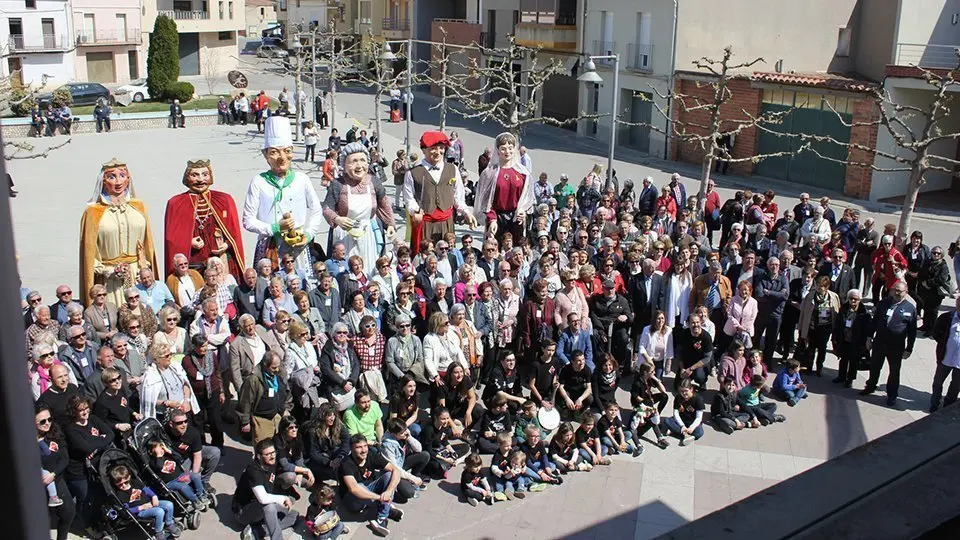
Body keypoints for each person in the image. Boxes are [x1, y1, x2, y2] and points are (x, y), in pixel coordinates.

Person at [243, 116, 324, 283]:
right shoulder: (259, 181)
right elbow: (247, 220)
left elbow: (316, 210)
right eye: (274, 152)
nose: (281, 158)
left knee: (299, 285)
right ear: (265, 155)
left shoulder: (302, 179)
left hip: (298, 244)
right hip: (270, 245)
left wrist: (308, 234)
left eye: (286, 151)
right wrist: (274, 227)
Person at [79, 159, 159, 307]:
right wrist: (105, 270)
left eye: (122, 175)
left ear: (128, 179)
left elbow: (147, 244)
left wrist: (144, 267)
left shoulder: (138, 207)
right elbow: (89, 252)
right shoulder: (92, 212)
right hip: (109, 279)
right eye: (111, 177)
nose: (118, 182)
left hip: (137, 275)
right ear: (103, 180)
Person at [164, 159, 245, 283]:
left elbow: (234, 233)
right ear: (187, 177)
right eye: (195, 175)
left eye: (205, 174)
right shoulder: (176, 203)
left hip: (219, 258)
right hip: (193, 259)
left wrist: (227, 244)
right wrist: (188, 242)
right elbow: (171, 239)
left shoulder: (224, 199)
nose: (200, 179)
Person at [323, 142, 396, 276]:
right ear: (344, 165)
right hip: (344, 234)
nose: (359, 165)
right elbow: (327, 208)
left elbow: (384, 203)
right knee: (346, 270)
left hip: (368, 232)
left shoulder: (374, 181)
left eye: (362, 160)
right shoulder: (338, 184)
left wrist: (390, 224)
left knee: (369, 267)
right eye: (354, 161)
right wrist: (337, 219)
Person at [403, 131, 477, 256]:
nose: (438, 152)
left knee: (446, 257)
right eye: (433, 149)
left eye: (441, 148)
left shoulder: (452, 169)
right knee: (425, 259)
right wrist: (415, 211)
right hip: (425, 222)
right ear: (424, 150)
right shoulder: (413, 173)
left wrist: (466, 212)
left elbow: (458, 196)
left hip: (446, 223)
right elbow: (409, 198)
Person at [862, 281, 918, 407]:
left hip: (896, 346)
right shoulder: (883, 303)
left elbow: (912, 331)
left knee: (894, 372)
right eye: (895, 290)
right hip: (879, 342)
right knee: (875, 366)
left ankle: (892, 395)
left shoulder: (910, 309)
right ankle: (870, 386)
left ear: (906, 292)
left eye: (900, 291)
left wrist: (909, 348)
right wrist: (869, 337)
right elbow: (874, 321)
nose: (897, 293)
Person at [233, 439, 301, 540]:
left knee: (294, 516)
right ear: (259, 456)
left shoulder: (272, 462)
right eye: (268, 454)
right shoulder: (253, 471)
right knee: (269, 506)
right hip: (244, 511)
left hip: (260, 507)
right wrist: (283, 498)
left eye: (273, 452)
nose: (273, 456)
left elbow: (287, 469)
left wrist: (300, 474)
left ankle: (256, 531)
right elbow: (263, 498)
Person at [338, 434, 405, 536]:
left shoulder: (371, 455)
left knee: (389, 475)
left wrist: (388, 491)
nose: (364, 450)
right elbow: (354, 489)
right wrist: (380, 498)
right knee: (359, 486)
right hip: (352, 500)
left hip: (370, 490)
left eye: (365, 446)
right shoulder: (346, 463)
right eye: (359, 447)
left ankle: (382, 516)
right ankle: (385, 509)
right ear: (351, 448)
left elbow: (395, 470)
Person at [110, 464, 182, 540]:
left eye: (126, 482)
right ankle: (158, 532)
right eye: (120, 485)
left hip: (150, 503)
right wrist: (141, 507)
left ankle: (169, 523)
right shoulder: (120, 494)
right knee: (159, 512)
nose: (124, 486)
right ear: (115, 484)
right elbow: (127, 511)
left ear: (129, 477)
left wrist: (154, 497)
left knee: (169, 504)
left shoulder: (135, 482)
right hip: (140, 512)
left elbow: (147, 490)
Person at [36, 404, 76, 540]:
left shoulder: (54, 433)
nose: (47, 423)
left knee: (68, 513)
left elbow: (64, 458)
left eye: (49, 419)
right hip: (37, 487)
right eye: (42, 421)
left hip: (56, 479)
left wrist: (52, 475)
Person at [238, 351, 292, 444]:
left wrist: (286, 408)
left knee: (279, 449)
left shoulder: (279, 374)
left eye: (278, 366)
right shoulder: (253, 380)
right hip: (261, 420)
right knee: (264, 450)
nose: (277, 369)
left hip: (278, 417)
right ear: (265, 365)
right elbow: (245, 401)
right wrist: (245, 422)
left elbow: (286, 393)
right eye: (274, 367)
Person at [145, 439, 209, 511]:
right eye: (158, 448)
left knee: (195, 476)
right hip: (170, 482)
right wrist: (158, 456)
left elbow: (179, 458)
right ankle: (195, 500)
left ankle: (200, 495)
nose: (161, 450)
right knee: (183, 486)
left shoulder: (168, 455)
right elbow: (159, 466)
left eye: (162, 447)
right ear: (151, 451)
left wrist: (170, 451)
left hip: (181, 475)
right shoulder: (153, 462)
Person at [798, 276, 841, 376]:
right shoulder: (810, 296)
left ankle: (819, 368)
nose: (818, 288)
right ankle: (809, 367)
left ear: (826, 287)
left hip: (825, 327)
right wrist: (801, 328)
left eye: (821, 286)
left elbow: (836, 312)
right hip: (812, 326)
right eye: (817, 285)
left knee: (822, 348)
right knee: (811, 348)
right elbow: (803, 313)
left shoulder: (833, 297)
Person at [379, 419, 429, 502]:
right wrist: (412, 478)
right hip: (393, 471)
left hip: (401, 463)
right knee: (409, 493)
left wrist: (409, 437)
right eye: (402, 433)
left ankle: (414, 477)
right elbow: (394, 468)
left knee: (425, 455)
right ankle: (393, 489)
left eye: (405, 430)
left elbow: (419, 449)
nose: (405, 433)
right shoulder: (387, 445)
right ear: (393, 434)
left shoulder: (404, 432)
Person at [832, 289, 872, 388]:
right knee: (843, 358)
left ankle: (850, 379)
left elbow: (867, 328)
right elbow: (837, 324)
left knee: (853, 360)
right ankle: (841, 376)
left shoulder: (864, 312)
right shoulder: (844, 308)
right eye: (851, 298)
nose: (853, 301)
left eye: (856, 299)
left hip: (856, 340)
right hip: (844, 338)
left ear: (859, 300)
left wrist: (866, 341)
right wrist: (835, 337)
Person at [930, 295, 960, 412]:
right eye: (959, 303)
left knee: (956, 386)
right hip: (945, 357)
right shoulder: (947, 317)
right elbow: (936, 333)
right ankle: (934, 403)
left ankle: (948, 406)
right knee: (938, 382)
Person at [917, 246, 953, 334]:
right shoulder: (928, 263)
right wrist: (923, 282)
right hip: (926, 292)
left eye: (938, 253)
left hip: (936, 293)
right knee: (926, 309)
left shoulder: (943, 266)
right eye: (934, 253)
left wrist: (928, 283)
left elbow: (941, 279)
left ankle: (932, 329)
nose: (936, 255)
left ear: (941, 255)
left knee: (933, 311)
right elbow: (921, 274)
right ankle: (925, 325)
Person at [664, 379, 704, 446]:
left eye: (686, 391)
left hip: (692, 421)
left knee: (699, 433)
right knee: (667, 421)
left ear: (691, 389)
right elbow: (675, 413)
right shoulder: (678, 397)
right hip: (681, 420)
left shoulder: (698, 399)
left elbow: (699, 417)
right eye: (681, 391)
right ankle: (686, 435)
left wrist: (692, 427)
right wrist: (682, 425)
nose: (684, 393)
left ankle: (676, 432)